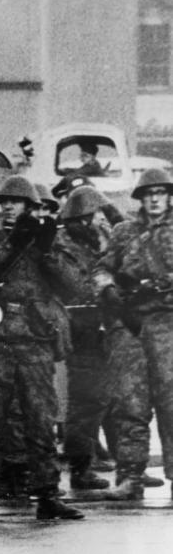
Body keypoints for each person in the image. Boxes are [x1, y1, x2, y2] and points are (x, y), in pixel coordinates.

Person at [0, 175, 86, 523]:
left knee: (41, 423)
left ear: (31, 207)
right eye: (5, 203)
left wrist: (44, 251)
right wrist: (10, 245)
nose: (8, 208)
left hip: (34, 344)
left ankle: (47, 495)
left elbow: (75, 285)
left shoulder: (50, 242)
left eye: (15, 202)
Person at [94, 167, 173, 499]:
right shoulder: (124, 231)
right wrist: (108, 289)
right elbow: (101, 267)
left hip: (167, 323)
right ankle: (130, 476)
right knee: (129, 402)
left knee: (171, 402)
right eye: (148, 194)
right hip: (128, 324)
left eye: (160, 193)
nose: (154, 199)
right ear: (140, 199)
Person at [56, 185, 114, 491]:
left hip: (100, 332)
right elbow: (81, 289)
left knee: (105, 399)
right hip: (82, 334)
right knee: (85, 402)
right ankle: (80, 466)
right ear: (84, 218)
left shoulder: (91, 244)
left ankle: (93, 460)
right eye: (98, 215)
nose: (103, 220)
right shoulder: (66, 247)